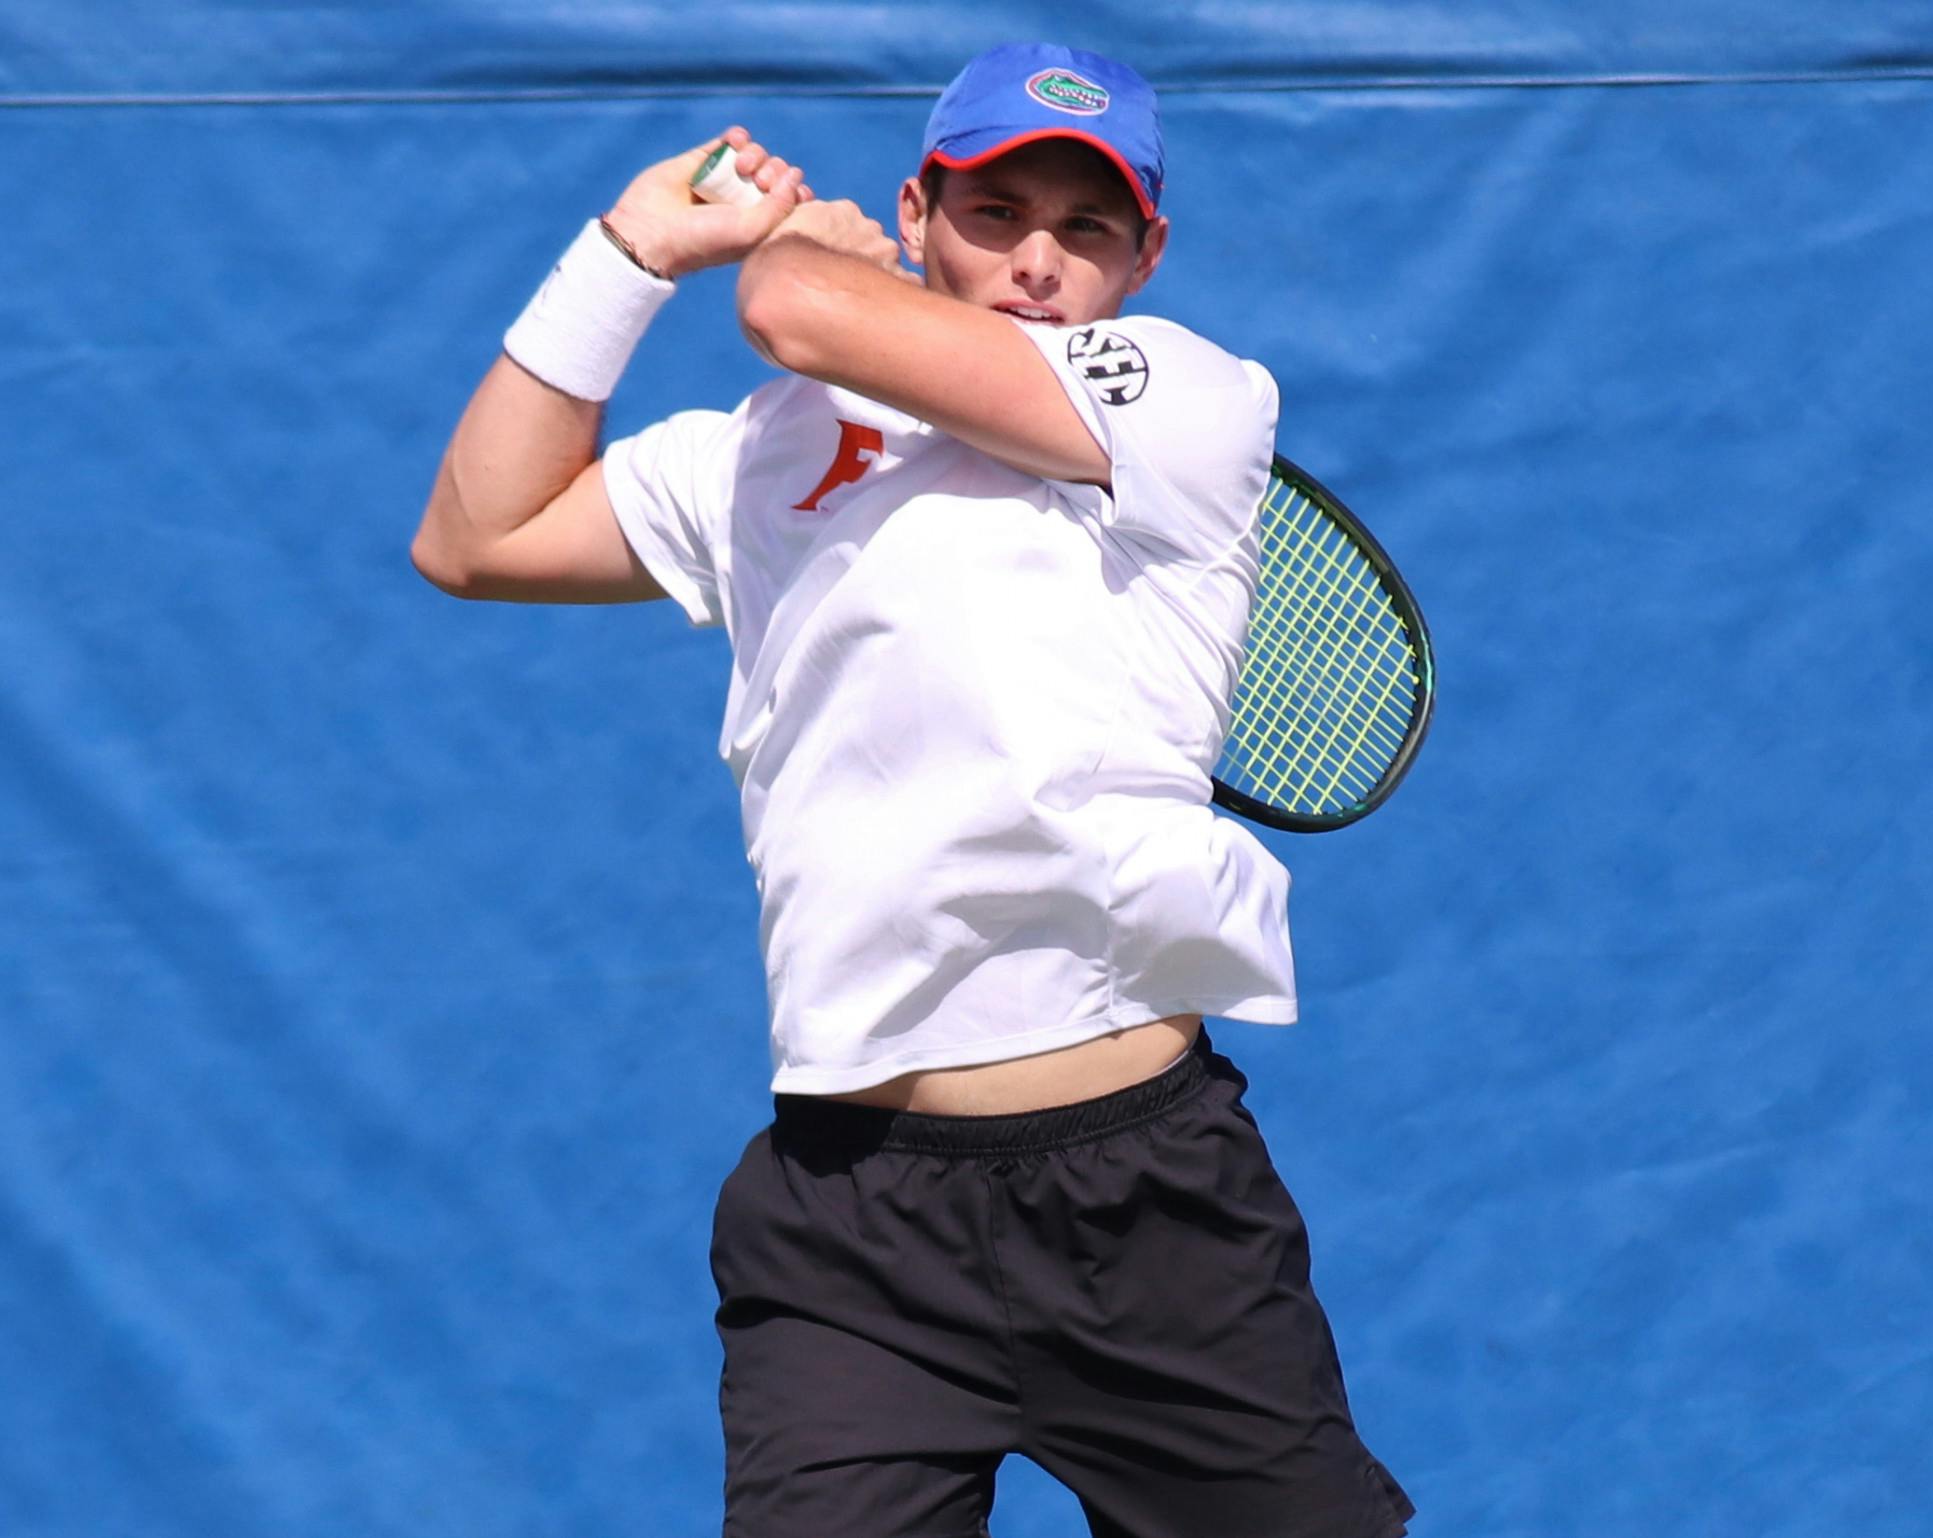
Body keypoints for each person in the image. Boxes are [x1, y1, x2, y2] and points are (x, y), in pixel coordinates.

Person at [412, 41, 1414, 1538]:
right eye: (996, 212)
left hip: (1148, 1206)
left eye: (1086, 228)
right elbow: (476, 535)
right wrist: (629, 254)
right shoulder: (760, 456)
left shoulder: (1182, 400)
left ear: (1145, 256)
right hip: (847, 1226)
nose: (1035, 261)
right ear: (921, 213)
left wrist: (790, 261)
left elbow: (793, 306)